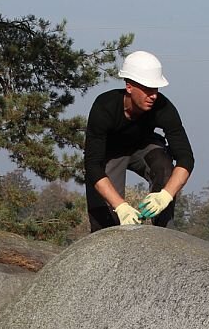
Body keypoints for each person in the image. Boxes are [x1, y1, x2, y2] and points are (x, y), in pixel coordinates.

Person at [83, 50, 195, 231]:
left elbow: (186, 159)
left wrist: (166, 195)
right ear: (129, 86)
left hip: (143, 146)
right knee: (107, 220)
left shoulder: (163, 108)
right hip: (110, 154)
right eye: (147, 89)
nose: (153, 96)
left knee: (165, 168)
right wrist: (120, 206)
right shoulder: (104, 107)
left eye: (156, 89)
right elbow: (92, 165)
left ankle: (165, 235)